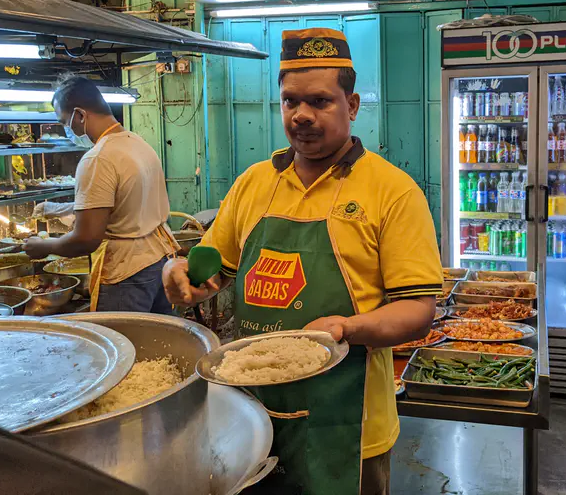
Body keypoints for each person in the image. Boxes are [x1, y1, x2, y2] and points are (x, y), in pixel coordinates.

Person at [163, 28, 442, 495]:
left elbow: (418, 312)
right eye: (291, 102)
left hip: (349, 424)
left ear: (351, 106)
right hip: (250, 410)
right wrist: (180, 275)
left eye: (320, 101)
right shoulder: (254, 182)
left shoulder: (393, 191)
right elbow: (212, 272)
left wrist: (345, 328)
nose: (302, 116)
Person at [24, 75, 178, 313]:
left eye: (65, 122)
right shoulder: (137, 143)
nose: (68, 130)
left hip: (126, 271)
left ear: (81, 115)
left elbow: (87, 238)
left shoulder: (98, 158)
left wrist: (44, 246)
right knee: (156, 340)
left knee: (124, 345)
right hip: (158, 259)